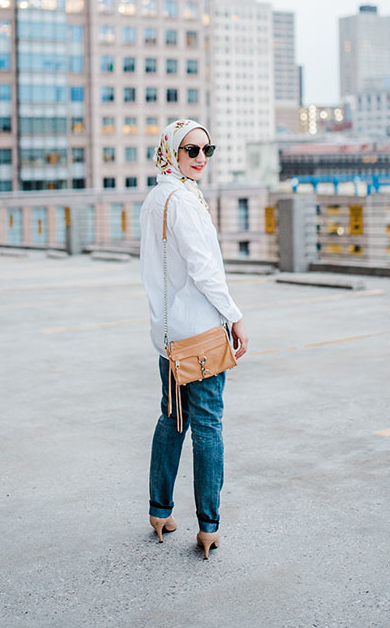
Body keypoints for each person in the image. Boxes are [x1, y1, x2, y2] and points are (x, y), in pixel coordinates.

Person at [139, 118, 249, 558]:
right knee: (207, 425)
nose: (201, 158)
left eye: (207, 149)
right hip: (200, 332)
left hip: (169, 334)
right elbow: (204, 270)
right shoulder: (182, 201)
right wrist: (234, 316)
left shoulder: (157, 196)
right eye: (191, 150)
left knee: (172, 418)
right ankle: (209, 526)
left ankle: (159, 511)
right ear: (172, 152)